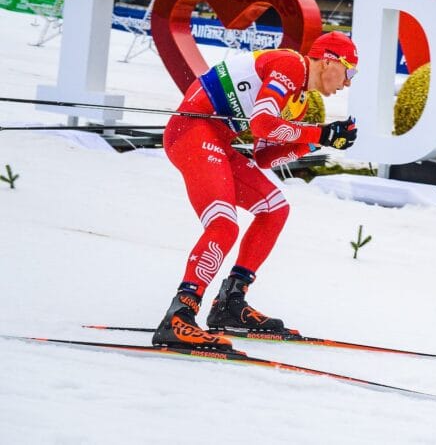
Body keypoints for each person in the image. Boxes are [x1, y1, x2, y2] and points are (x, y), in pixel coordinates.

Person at [152, 31, 360, 349]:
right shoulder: (291, 65)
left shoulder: (299, 101)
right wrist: (319, 133)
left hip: (218, 139)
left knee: (275, 209)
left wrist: (316, 141)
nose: (347, 82)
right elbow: (262, 123)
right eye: (349, 72)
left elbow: (264, 157)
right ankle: (180, 314)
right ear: (329, 60)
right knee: (224, 225)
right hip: (191, 131)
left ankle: (230, 302)